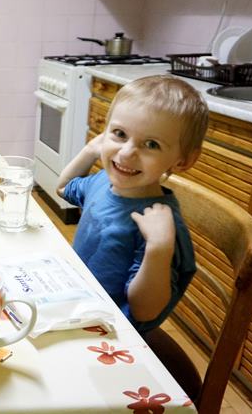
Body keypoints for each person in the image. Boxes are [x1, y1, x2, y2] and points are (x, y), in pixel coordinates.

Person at [56, 75, 209, 335]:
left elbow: (144, 311)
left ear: (182, 161)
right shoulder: (102, 181)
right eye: (119, 134)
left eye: (151, 144)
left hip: (110, 333)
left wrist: (158, 248)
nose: (127, 153)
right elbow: (63, 188)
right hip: (77, 304)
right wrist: (91, 150)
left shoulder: (160, 224)